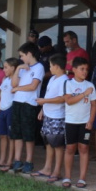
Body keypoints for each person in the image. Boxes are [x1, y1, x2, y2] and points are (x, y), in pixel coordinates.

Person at [63, 57, 96, 188]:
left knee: (83, 148)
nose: (85, 72)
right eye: (82, 69)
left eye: (86, 69)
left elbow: (94, 105)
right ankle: (67, 176)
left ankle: (82, 177)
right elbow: (69, 101)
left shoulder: (90, 85)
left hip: (85, 122)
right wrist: (84, 94)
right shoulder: (68, 83)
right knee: (70, 148)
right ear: (74, 70)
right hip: (71, 121)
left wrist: (91, 121)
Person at [10, 42, 44, 174]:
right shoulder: (22, 67)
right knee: (17, 133)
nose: (21, 58)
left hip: (29, 104)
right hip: (17, 102)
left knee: (28, 134)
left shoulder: (39, 67)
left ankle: (29, 161)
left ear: (30, 54)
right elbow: (13, 83)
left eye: (22, 55)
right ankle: (17, 159)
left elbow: (33, 86)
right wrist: (18, 69)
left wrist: (18, 88)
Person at [35, 54, 69, 182]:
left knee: (58, 144)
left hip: (58, 116)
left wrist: (44, 101)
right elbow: (49, 94)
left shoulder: (64, 80)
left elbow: (62, 98)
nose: (49, 68)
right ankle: (47, 168)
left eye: (50, 66)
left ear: (56, 66)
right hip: (48, 114)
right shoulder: (53, 78)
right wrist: (42, 109)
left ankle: (57, 171)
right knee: (48, 142)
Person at [0, 57, 19, 171]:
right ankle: (2, 159)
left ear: (13, 68)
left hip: (10, 109)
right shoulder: (5, 79)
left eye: (6, 67)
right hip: (2, 109)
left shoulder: (16, 79)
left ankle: (9, 160)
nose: (4, 69)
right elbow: (0, 93)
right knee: (3, 136)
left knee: (10, 136)